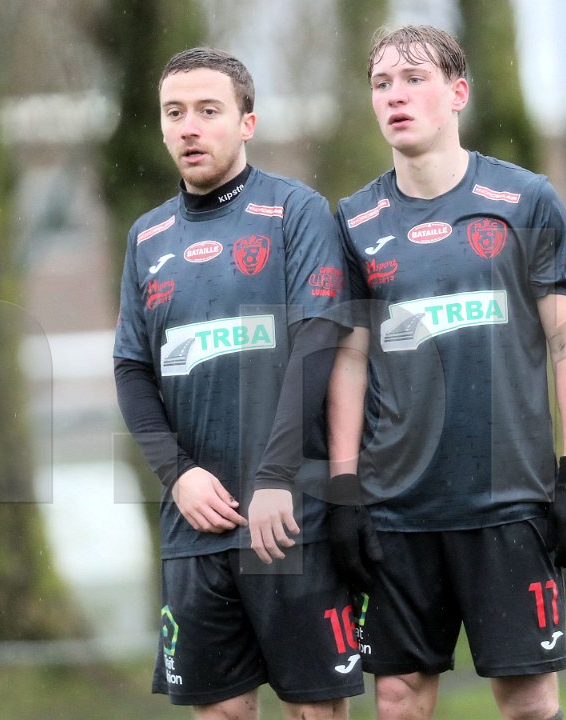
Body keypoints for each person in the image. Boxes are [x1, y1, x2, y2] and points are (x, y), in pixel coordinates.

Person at [326, 25, 566, 720]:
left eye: (414, 79)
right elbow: (350, 360)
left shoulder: (526, 200)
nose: (395, 95)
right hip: (397, 507)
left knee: (528, 700)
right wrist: (345, 489)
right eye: (381, 83)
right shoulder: (354, 220)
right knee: (397, 698)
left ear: (458, 93)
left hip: (509, 500)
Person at [113, 47, 364, 720]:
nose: (189, 127)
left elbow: (319, 341)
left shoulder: (295, 211)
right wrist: (178, 475)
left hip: (288, 519)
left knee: (314, 712)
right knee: (220, 713)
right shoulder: (146, 237)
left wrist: (277, 476)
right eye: (174, 113)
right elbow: (132, 369)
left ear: (247, 122)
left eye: (208, 110)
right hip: (194, 526)